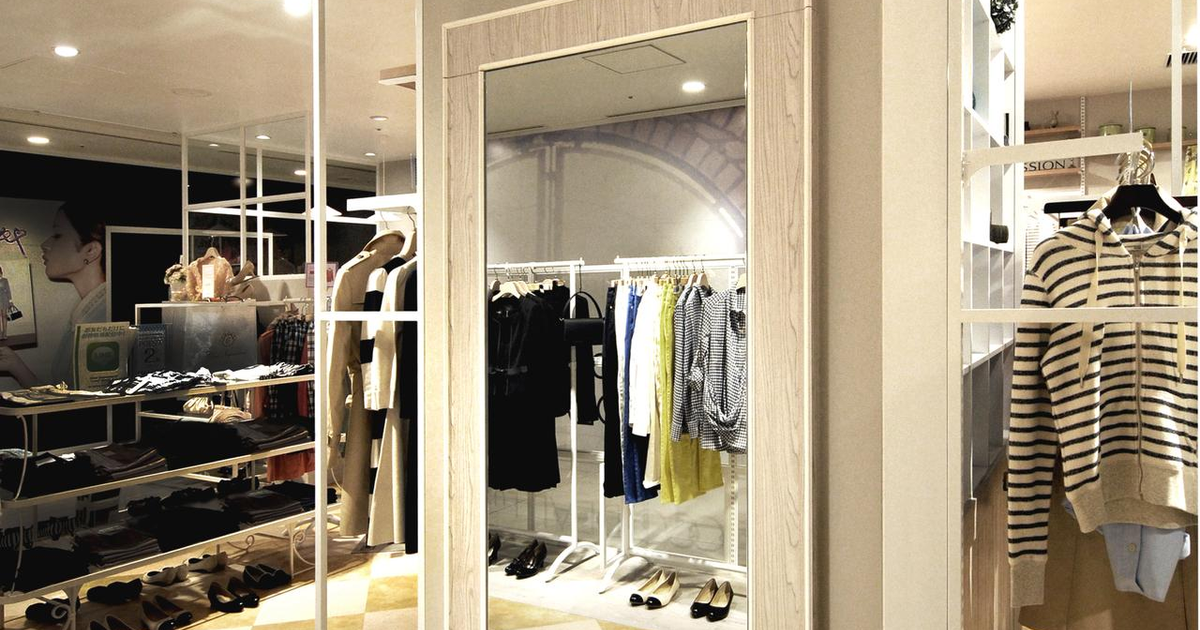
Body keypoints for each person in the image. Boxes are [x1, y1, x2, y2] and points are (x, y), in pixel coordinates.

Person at [0, 203, 107, 388]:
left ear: (91, 250)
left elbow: (82, 400)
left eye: (58, 235)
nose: (45, 245)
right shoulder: (86, 313)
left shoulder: (103, 316)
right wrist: (14, 364)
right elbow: (67, 393)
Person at [0, 265, 10, 342]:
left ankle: (5, 334)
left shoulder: (5, 280)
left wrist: (10, 301)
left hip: (4, 300)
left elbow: (8, 291)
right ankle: (0, 334)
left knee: (4, 316)